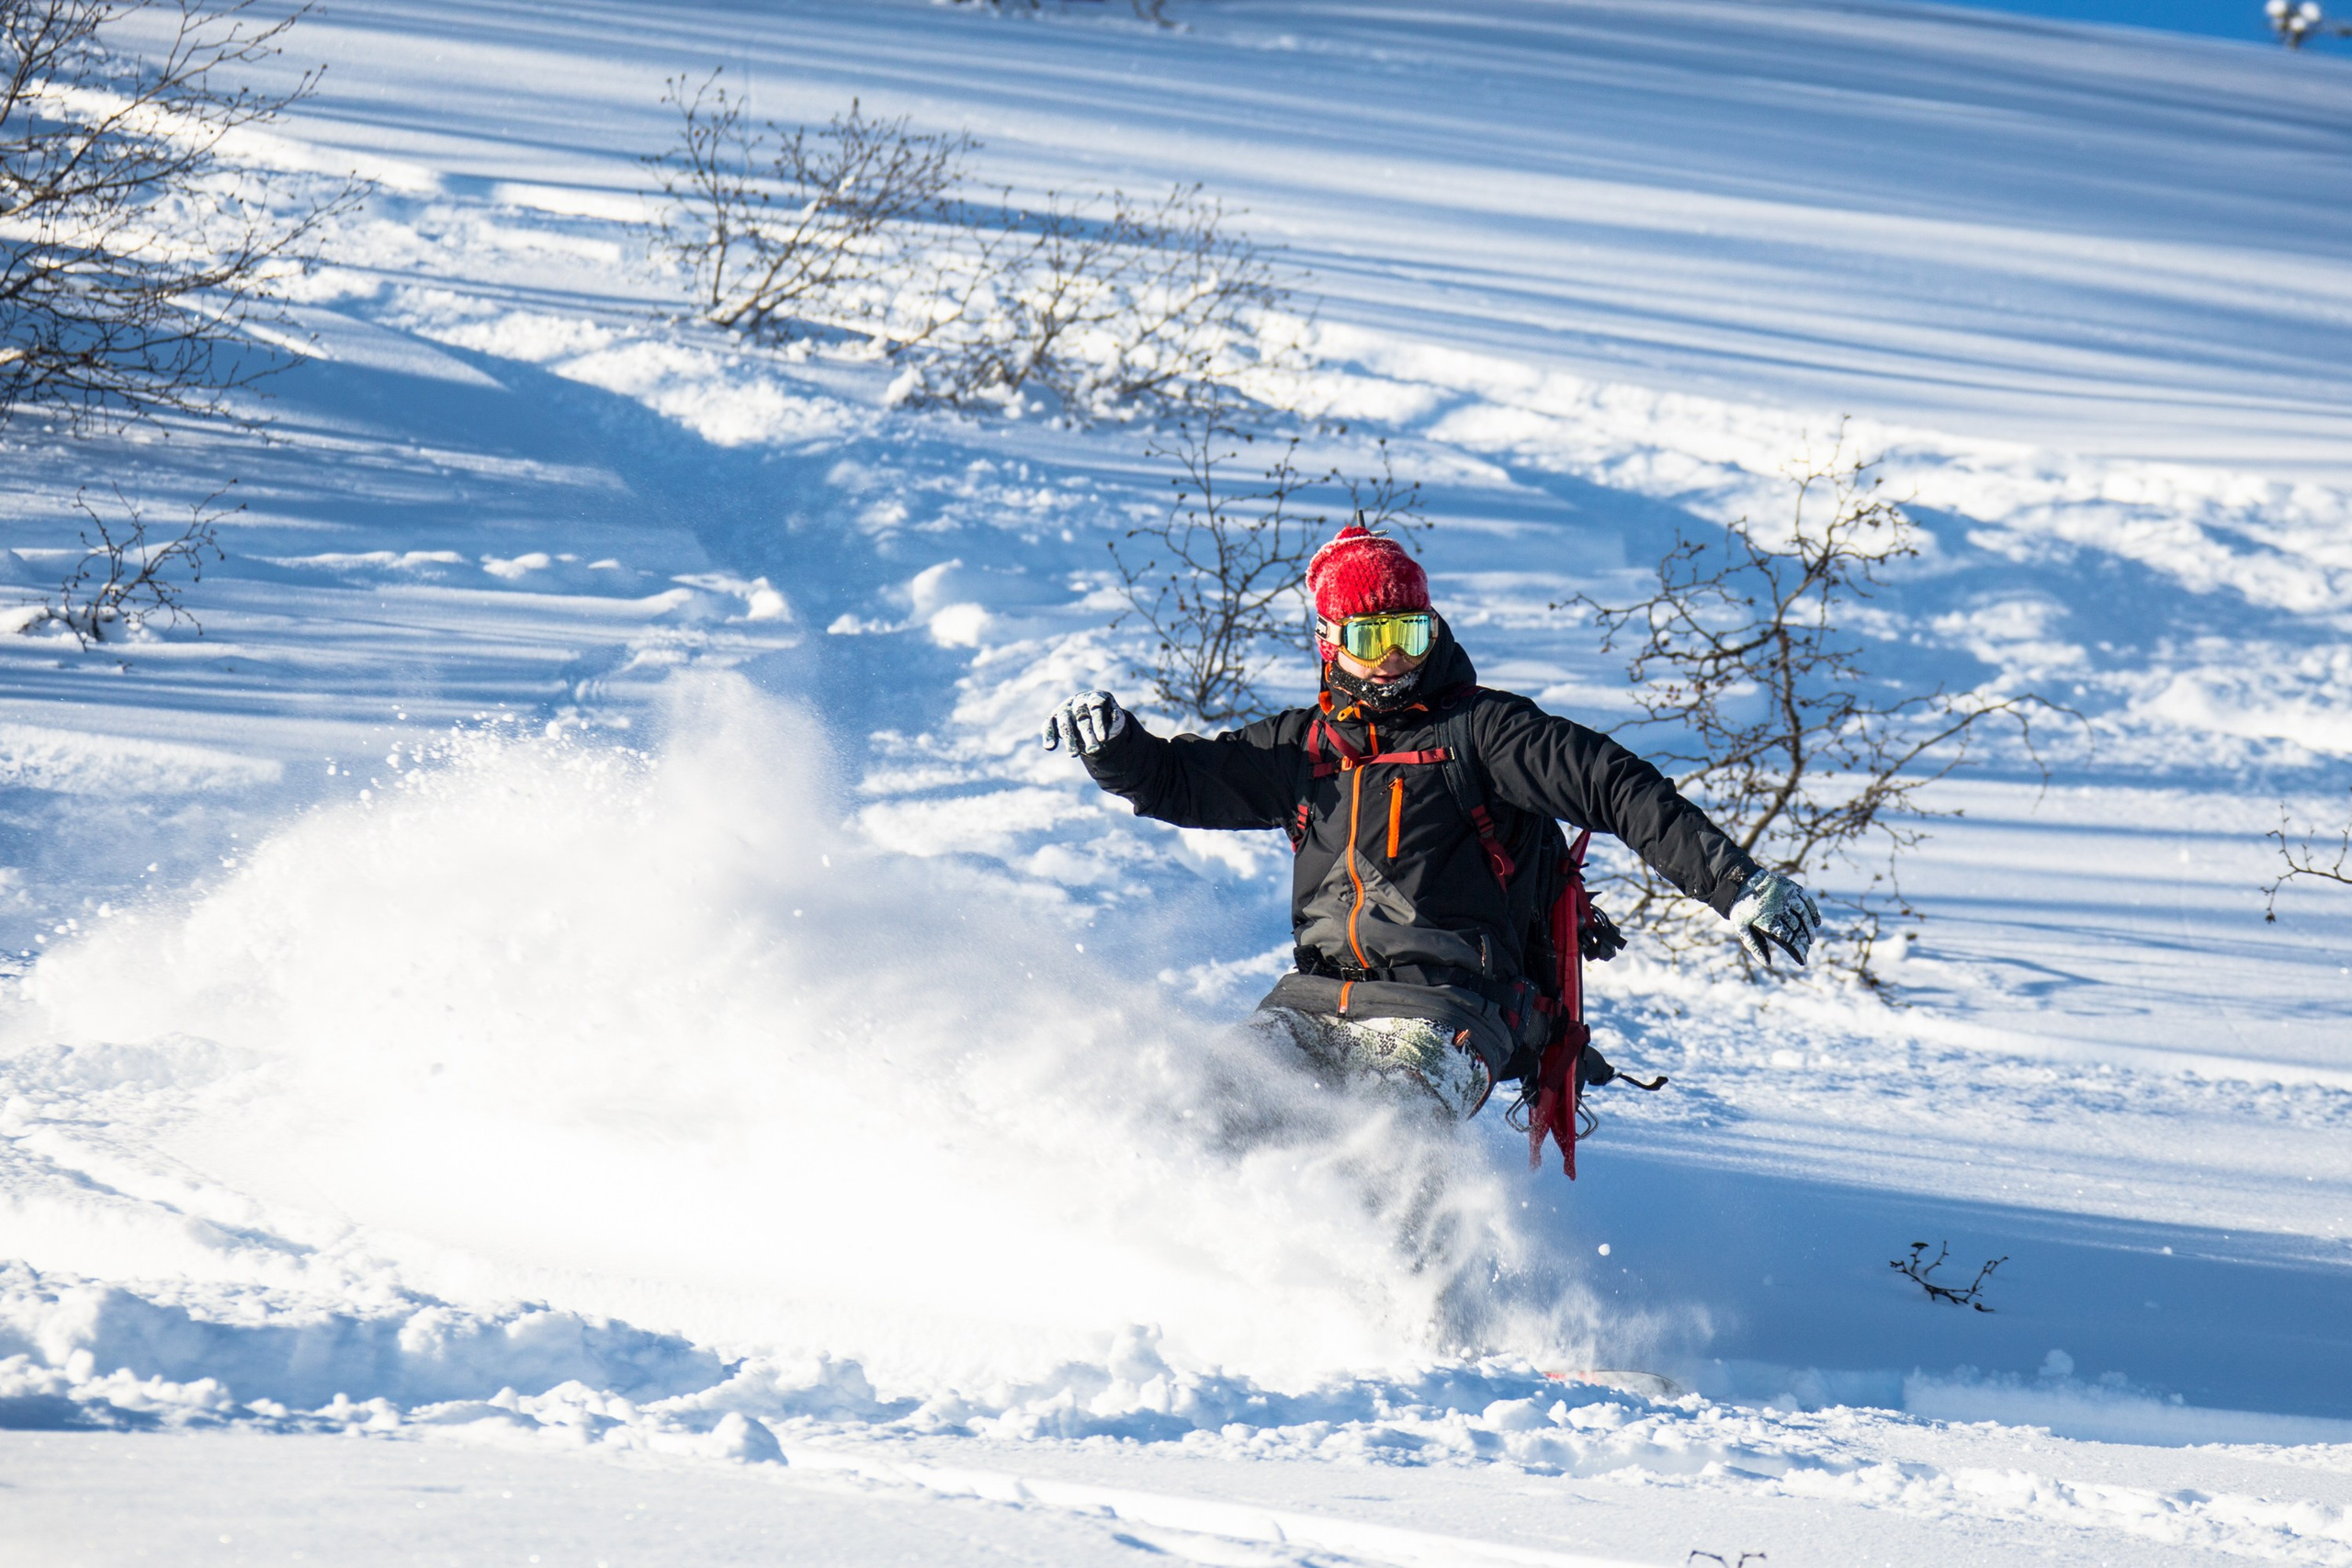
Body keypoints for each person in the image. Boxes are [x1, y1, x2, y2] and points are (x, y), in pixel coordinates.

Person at [1043, 522, 1819, 1122]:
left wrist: (1735, 882)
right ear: (1328, 642)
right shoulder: (1305, 749)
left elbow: (1616, 786)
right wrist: (1116, 746)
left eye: (1408, 635)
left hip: (1450, 1009)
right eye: (1369, 638)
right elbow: (1182, 781)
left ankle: (1420, 1318)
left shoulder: (1484, 733)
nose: (1392, 661)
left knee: (1389, 1141)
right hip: (1318, 999)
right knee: (1206, 1104)